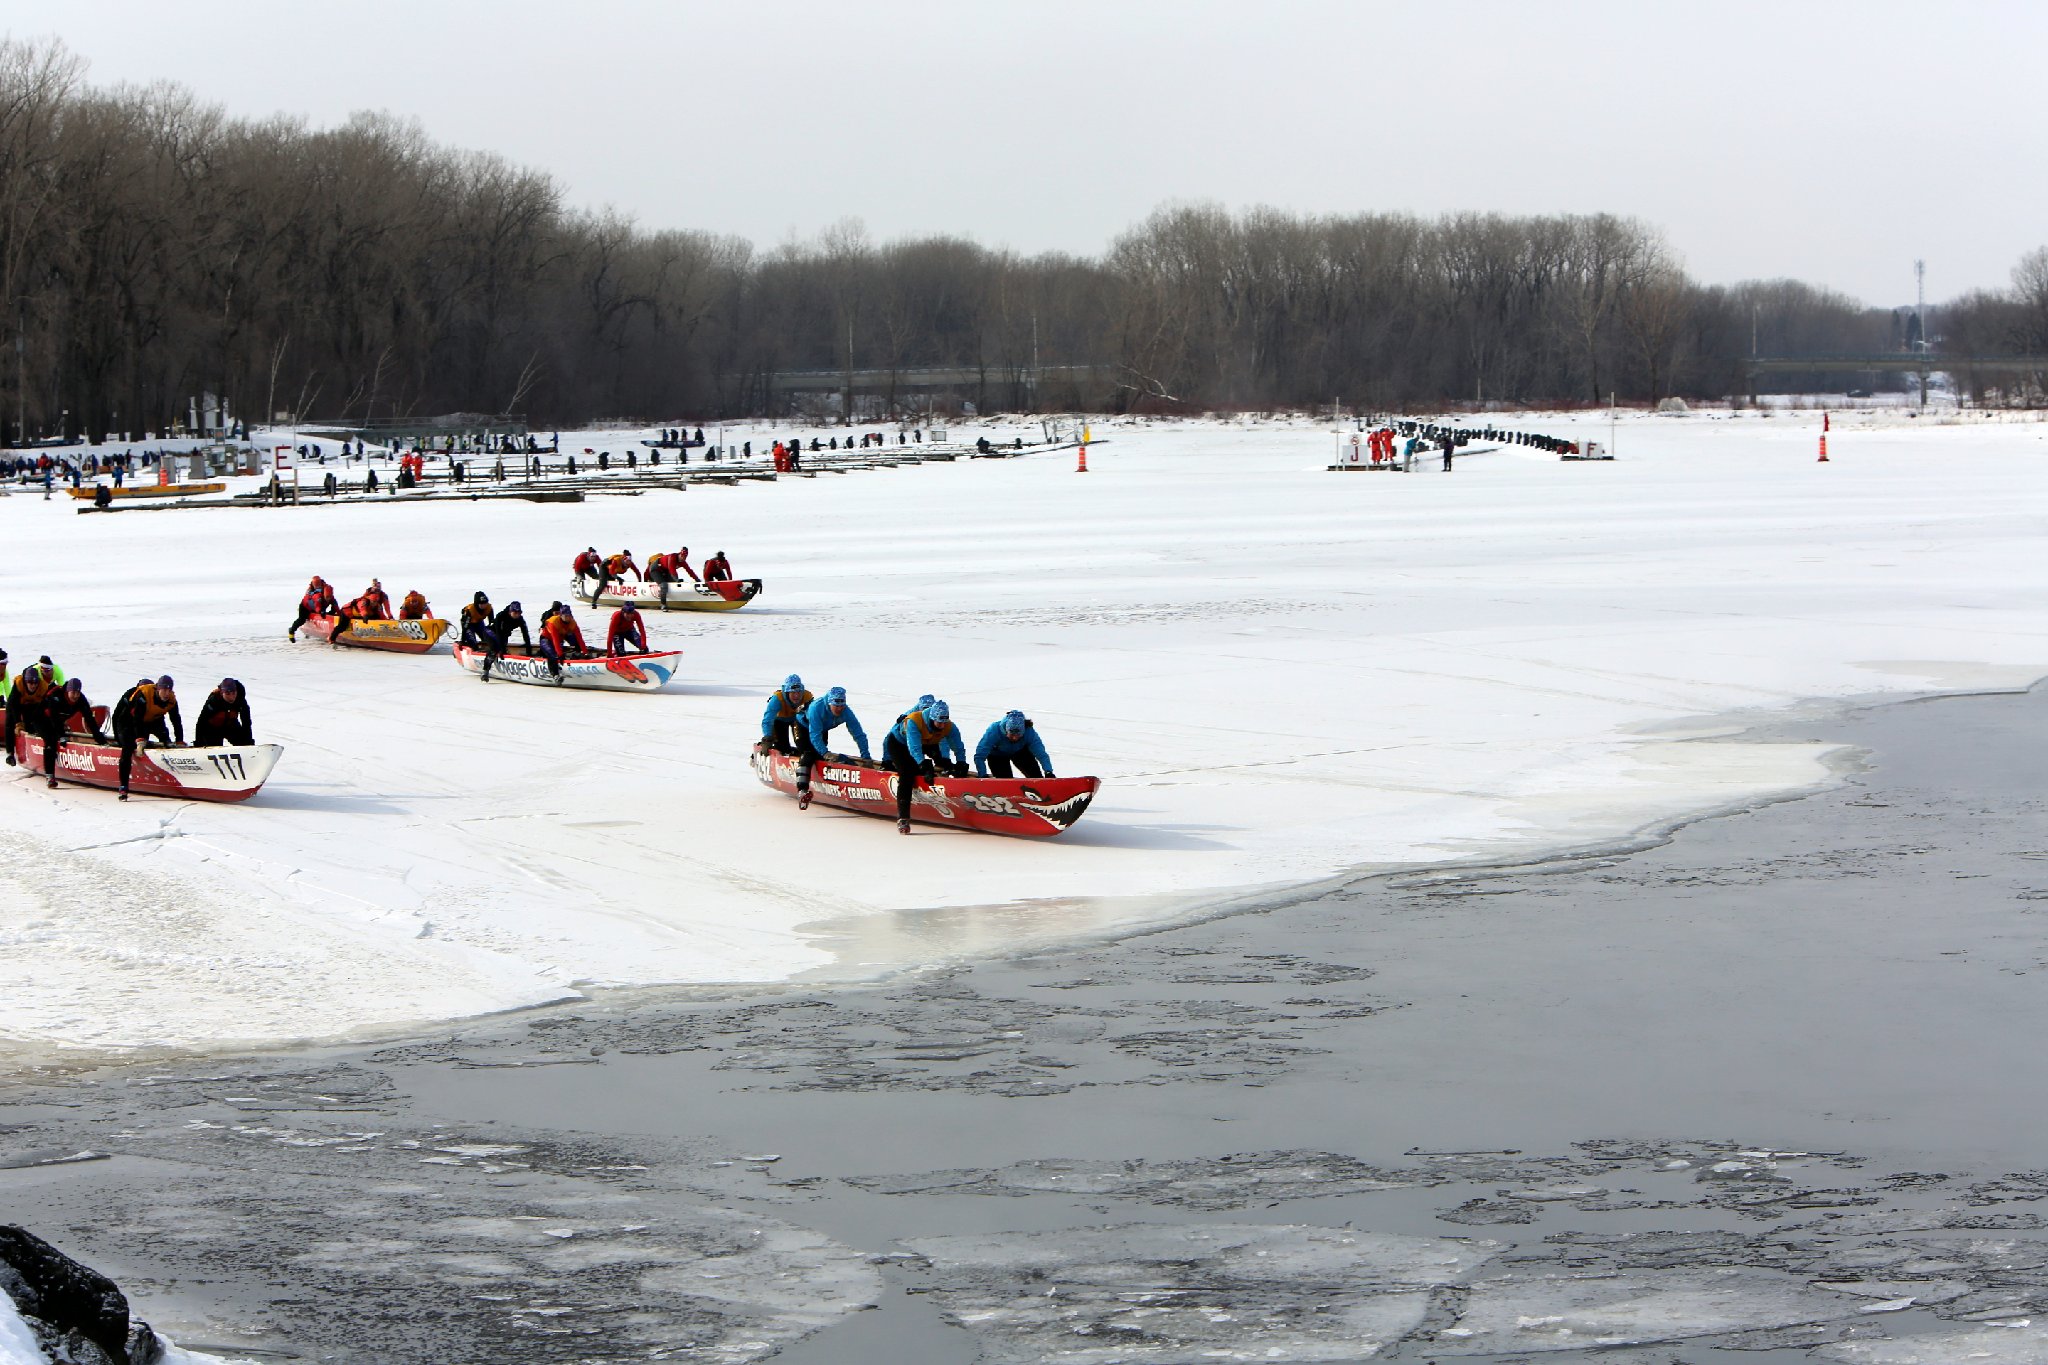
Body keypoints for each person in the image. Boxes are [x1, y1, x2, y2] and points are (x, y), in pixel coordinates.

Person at [884, 699, 965, 832]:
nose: (942, 726)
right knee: (907, 773)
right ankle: (903, 818)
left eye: (944, 722)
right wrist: (922, 764)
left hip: (926, 742)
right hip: (899, 744)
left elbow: (958, 746)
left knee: (944, 763)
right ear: (932, 718)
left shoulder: (949, 726)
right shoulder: (914, 721)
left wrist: (961, 762)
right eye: (939, 722)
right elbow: (914, 748)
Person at [797, 685, 870, 809]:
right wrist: (825, 753)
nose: (839, 709)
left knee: (819, 755)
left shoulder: (846, 712)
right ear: (830, 703)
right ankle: (802, 791)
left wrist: (866, 756)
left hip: (822, 728)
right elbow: (815, 736)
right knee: (808, 753)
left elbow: (858, 734)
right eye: (836, 706)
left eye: (842, 705)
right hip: (803, 726)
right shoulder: (816, 708)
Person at [112, 675, 182, 799]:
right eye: (164, 690)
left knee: (167, 741)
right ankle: (123, 787)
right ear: (157, 689)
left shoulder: (171, 699)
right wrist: (138, 739)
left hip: (151, 720)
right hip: (128, 722)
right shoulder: (142, 695)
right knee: (128, 748)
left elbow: (176, 720)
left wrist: (179, 740)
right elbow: (136, 720)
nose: (167, 693)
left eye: (169, 690)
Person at [39, 678, 107, 788]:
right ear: (67, 691)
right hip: (41, 719)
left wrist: (98, 737)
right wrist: (61, 735)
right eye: (73, 693)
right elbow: (54, 718)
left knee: (58, 734)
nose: (75, 696)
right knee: (50, 740)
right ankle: (50, 776)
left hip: (58, 721)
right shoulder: (56, 696)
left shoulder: (81, 699)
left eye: (78, 693)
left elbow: (89, 718)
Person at [2, 657, 60, 767]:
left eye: (35, 683)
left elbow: (45, 707)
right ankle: (10, 754)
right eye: (30, 683)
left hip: (32, 703)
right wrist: (18, 723)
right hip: (17, 703)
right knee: (10, 722)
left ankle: (38, 741)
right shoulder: (19, 684)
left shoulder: (43, 686)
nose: (33, 686)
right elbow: (14, 706)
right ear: (25, 681)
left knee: (34, 721)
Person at [975, 710, 1055, 779]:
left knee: (1036, 776)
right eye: (1011, 735)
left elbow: (1041, 754)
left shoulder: (1029, 732)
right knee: (1005, 781)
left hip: (1019, 752)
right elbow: (980, 755)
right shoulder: (994, 731)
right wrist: (983, 775)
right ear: (1006, 730)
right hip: (997, 755)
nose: (1014, 738)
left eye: (1018, 735)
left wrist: (1048, 771)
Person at [759, 674, 813, 754]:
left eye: (799, 692)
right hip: (780, 721)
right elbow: (768, 719)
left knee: (803, 744)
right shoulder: (777, 699)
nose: (796, 696)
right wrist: (767, 737)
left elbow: (813, 717)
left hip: (798, 720)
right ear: (787, 693)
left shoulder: (807, 697)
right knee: (782, 747)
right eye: (793, 693)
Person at [331, 579, 392, 648]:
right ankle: (331, 639)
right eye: (373, 602)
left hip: (359, 615)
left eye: (376, 602)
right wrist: (365, 615)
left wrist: (388, 621)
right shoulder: (364, 601)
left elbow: (382, 614)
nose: (374, 603)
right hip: (348, 612)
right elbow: (362, 608)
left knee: (376, 616)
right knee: (342, 627)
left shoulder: (379, 603)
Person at [480, 601, 531, 682]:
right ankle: (485, 671)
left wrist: (529, 651)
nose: (517, 615)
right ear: (510, 611)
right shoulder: (501, 616)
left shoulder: (520, 619)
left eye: (519, 613)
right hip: (490, 631)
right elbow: (498, 633)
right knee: (495, 648)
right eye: (515, 613)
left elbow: (525, 634)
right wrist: (501, 649)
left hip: (503, 634)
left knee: (502, 649)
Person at [193, 678, 254, 746]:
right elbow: (201, 722)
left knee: (245, 741)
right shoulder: (214, 700)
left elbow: (246, 721)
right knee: (215, 748)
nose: (231, 697)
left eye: (234, 693)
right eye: (227, 694)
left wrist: (249, 743)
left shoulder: (240, 700)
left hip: (230, 725)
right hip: (213, 728)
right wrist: (198, 743)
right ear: (222, 693)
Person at [538, 603, 587, 679]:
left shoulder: (572, 622)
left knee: (575, 641)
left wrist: (585, 652)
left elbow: (579, 638)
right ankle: (555, 675)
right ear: (561, 615)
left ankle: (576, 656)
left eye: (569, 615)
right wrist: (560, 654)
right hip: (546, 639)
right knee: (553, 655)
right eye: (565, 616)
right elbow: (555, 639)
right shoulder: (553, 622)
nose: (568, 618)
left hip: (560, 638)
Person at [288, 576, 339, 642]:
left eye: (330, 597)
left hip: (317, 605)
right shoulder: (318, 596)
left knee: (333, 609)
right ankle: (291, 631)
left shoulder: (331, 597)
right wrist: (321, 612)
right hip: (305, 607)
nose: (328, 599)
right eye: (327, 597)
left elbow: (336, 607)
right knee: (301, 620)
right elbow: (317, 606)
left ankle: (332, 624)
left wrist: (340, 615)